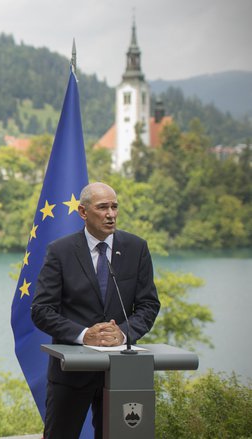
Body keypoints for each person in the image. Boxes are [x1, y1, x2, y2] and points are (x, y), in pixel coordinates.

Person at [31, 182, 160, 439]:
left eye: (114, 207)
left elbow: (148, 305)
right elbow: (41, 310)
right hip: (71, 373)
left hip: (122, 373)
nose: (111, 214)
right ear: (83, 212)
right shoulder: (60, 251)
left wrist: (122, 334)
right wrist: (84, 334)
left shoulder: (136, 248)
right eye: (103, 208)